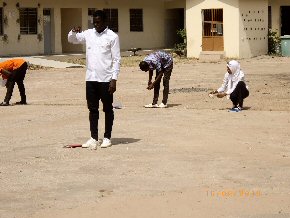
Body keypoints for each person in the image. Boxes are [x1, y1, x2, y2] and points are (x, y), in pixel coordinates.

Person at [68, 10, 121, 149]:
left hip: (106, 79)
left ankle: (107, 137)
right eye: (94, 22)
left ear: (105, 22)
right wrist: (73, 31)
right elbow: (72, 39)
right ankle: (93, 138)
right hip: (91, 78)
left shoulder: (112, 37)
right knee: (93, 109)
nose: (96, 25)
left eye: (99, 22)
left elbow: (116, 59)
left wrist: (114, 79)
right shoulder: (89, 34)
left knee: (108, 109)